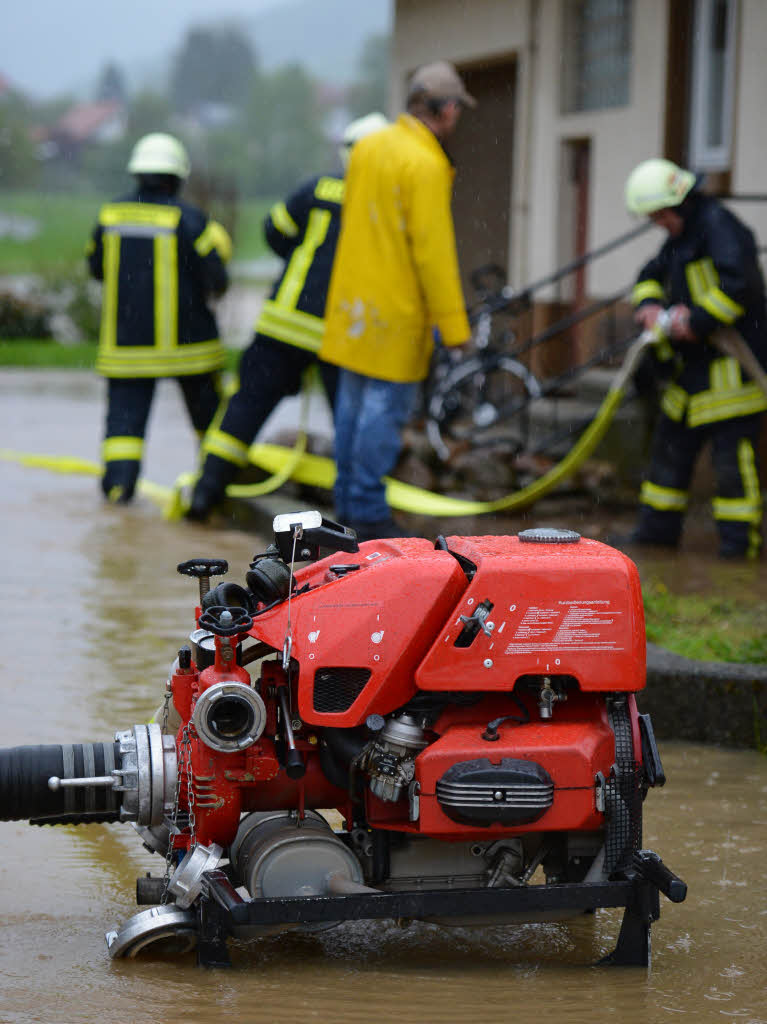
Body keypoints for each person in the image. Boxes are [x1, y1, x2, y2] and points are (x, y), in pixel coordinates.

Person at [186, 112, 390, 522]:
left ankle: (204, 495)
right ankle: (356, 515)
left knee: (245, 409)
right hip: (341, 333)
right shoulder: (385, 202)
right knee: (347, 419)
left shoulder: (315, 189)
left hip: (283, 324)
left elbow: (274, 231)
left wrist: (302, 258)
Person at [320, 61, 474, 541]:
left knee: (350, 410)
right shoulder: (425, 162)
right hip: (396, 313)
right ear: (446, 110)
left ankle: (346, 503)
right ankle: (366, 511)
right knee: (381, 417)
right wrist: (455, 329)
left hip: (352, 309)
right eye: (457, 110)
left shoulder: (368, 147)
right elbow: (433, 254)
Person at [622, 157, 767, 559]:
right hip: (692, 370)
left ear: (676, 204)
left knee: (732, 469)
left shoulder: (721, 228)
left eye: (658, 215)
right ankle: (655, 537)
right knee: (669, 454)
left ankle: (739, 552)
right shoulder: (682, 236)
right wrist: (650, 305)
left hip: (730, 374)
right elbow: (648, 273)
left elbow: (741, 285)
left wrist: (697, 321)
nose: (657, 223)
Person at [87, 132, 231, 503]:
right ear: (177, 177)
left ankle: (119, 487)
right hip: (189, 348)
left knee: (123, 428)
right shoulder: (190, 218)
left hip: (128, 345)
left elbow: (96, 268)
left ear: (137, 173)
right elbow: (216, 278)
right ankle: (214, 490)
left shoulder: (110, 215)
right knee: (208, 422)